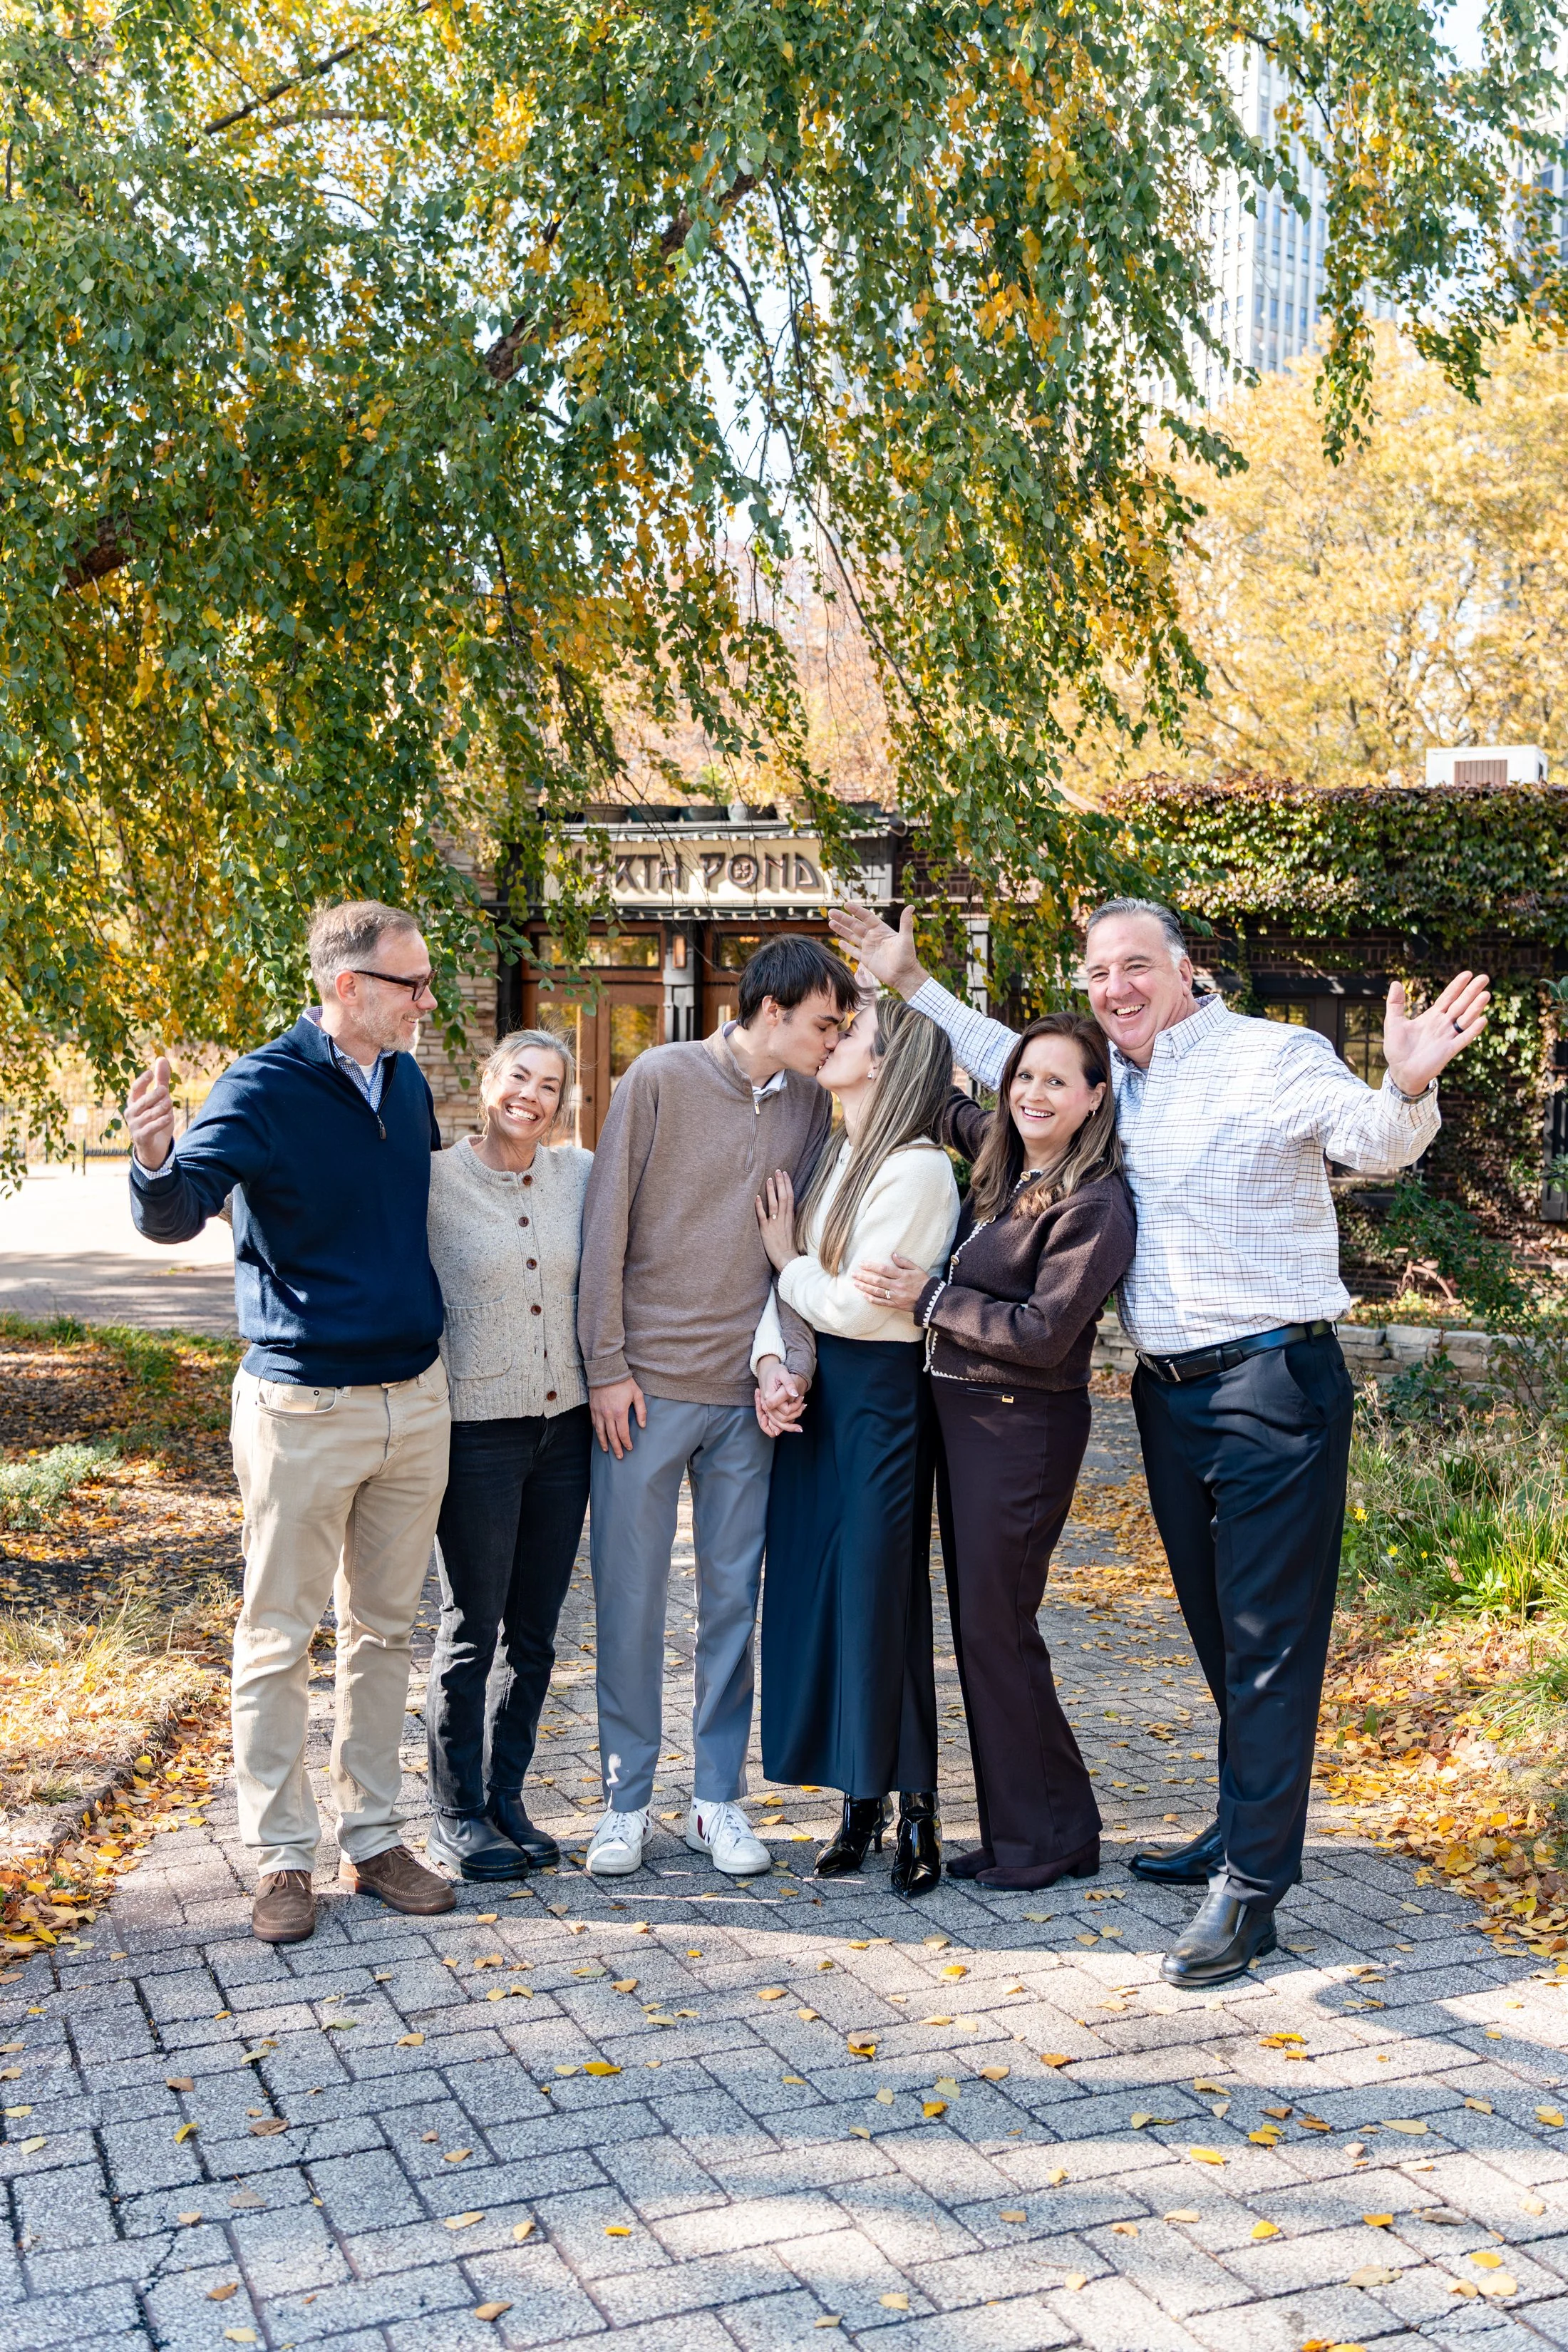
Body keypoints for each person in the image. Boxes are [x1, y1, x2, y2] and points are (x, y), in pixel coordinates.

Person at [831, 894, 1488, 1985]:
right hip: (1169, 1396)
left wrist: (1407, 1081)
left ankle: (1253, 1894)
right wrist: (911, 981)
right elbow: (1010, 1061)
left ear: (1186, 970)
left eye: (1135, 967)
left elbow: (1371, 1142)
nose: (1115, 989)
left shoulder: (1275, 1054)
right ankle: (1241, 1826)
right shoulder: (1112, 1086)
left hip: (1276, 1382)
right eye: (1098, 973)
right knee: (1220, 1638)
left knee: (1271, 1645)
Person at [125, 900, 458, 1944]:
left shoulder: (406, 1085)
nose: (427, 1000)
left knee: (384, 1633)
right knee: (279, 1637)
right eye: (411, 983)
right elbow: (181, 1213)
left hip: (416, 1399)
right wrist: (151, 1163)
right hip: (303, 1407)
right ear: (347, 987)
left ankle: (371, 1836)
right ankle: (281, 1857)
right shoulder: (263, 1087)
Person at [576, 934, 861, 1879]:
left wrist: (791, 1364)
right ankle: (623, 1802)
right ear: (772, 1010)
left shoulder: (815, 1105)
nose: (834, 1040)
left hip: (745, 1401)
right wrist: (605, 1365)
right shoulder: (659, 1077)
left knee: (733, 1602)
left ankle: (714, 1801)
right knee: (629, 1599)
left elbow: (803, 1247)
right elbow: (604, 1222)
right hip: (643, 1394)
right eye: (825, 1022)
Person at [851, 1013, 1135, 1890]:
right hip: (964, 1423)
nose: (1033, 1094)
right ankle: (1027, 1828)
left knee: (999, 1629)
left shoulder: (1096, 1204)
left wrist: (933, 1297)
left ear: (1095, 1099)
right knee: (982, 1633)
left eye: (1057, 1081)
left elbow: (1046, 1332)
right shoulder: (1008, 1164)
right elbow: (940, 1102)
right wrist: (888, 1011)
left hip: (1021, 1429)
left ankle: (1052, 1836)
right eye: (1023, 1077)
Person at [751, 995, 959, 1894]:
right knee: (822, 1593)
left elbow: (854, 1306)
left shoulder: (917, 1171)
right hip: (820, 1396)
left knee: (881, 1600)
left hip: (879, 1401)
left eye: (852, 1033)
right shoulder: (838, 1154)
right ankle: (857, 1799)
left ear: (890, 1061)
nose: (832, 1041)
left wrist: (783, 1255)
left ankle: (918, 1807)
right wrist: (772, 1363)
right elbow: (801, 1303)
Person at [422, 1030, 592, 1881]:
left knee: (536, 1634)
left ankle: (506, 1797)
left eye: (550, 1085)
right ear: (488, 1082)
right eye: (518, 1077)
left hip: (567, 1434)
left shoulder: (580, 1176)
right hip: (477, 1433)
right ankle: (454, 1811)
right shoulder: (433, 1181)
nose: (532, 1095)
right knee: (470, 1628)